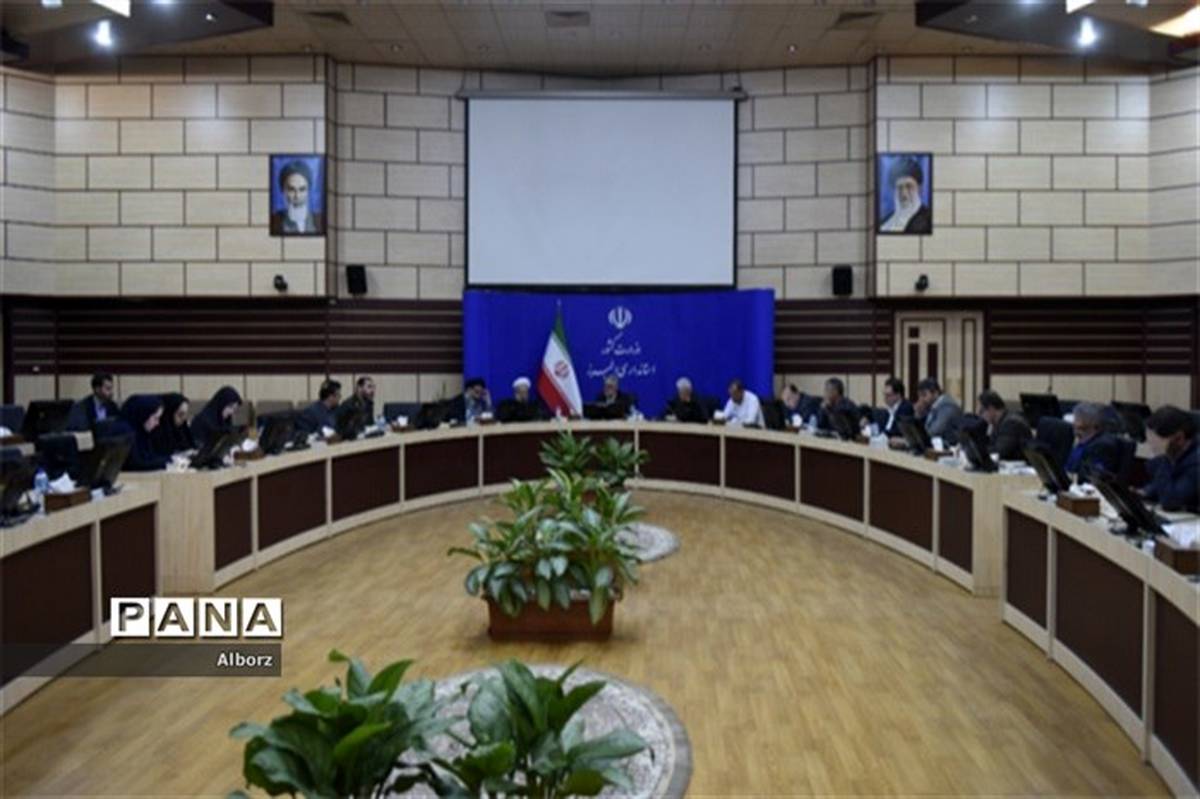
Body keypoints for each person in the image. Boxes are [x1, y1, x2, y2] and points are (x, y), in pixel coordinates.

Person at [1141, 405, 1198, 512]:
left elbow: (1170, 502)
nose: (1151, 445)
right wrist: (1145, 492)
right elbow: (1159, 487)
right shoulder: (1176, 454)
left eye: (1157, 440)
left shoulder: (1196, 462)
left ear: (1179, 438)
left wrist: (1162, 458)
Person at [1064, 401, 1122, 477]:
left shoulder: (1101, 447)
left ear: (1093, 425)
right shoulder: (1083, 442)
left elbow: (1089, 476)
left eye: (1080, 428)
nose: (1075, 432)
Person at [269, 159, 324, 235]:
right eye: (291, 190)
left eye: (302, 189)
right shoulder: (274, 221)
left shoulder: (320, 220)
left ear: (308, 191)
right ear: (283, 191)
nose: (297, 196)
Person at [116, 395, 170, 472]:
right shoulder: (125, 432)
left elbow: (151, 457)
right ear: (144, 414)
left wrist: (171, 459)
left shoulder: (143, 432)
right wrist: (168, 462)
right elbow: (136, 464)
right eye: (156, 418)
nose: (157, 423)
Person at [879, 156, 931, 234]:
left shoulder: (929, 219)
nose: (904, 194)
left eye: (909, 186)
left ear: (919, 188)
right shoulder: (884, 222)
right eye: (899, 187)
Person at [977, 389, 1031, 461]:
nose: (979, 415)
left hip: (1018, 465)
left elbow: (1000, 451)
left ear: (991, 409)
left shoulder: (1011, 423)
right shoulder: (997, 422)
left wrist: (978, 451)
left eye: (981, 411)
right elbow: (990, 445)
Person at [915, 378, 962, 444]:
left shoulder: (948, 406)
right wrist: (919, 413)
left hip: (948, 447)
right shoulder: (932, 405)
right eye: (919, 396)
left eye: (924, 395)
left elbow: (934, 431)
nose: (921, 399)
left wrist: (918, 437)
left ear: (935, 393)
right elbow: (919, 430)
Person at [150, 392, 195, 457]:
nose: (184, 418)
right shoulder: (156, 433)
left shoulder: (183, 430)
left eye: (185, 414)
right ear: (169, 414)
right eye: (180, 414)